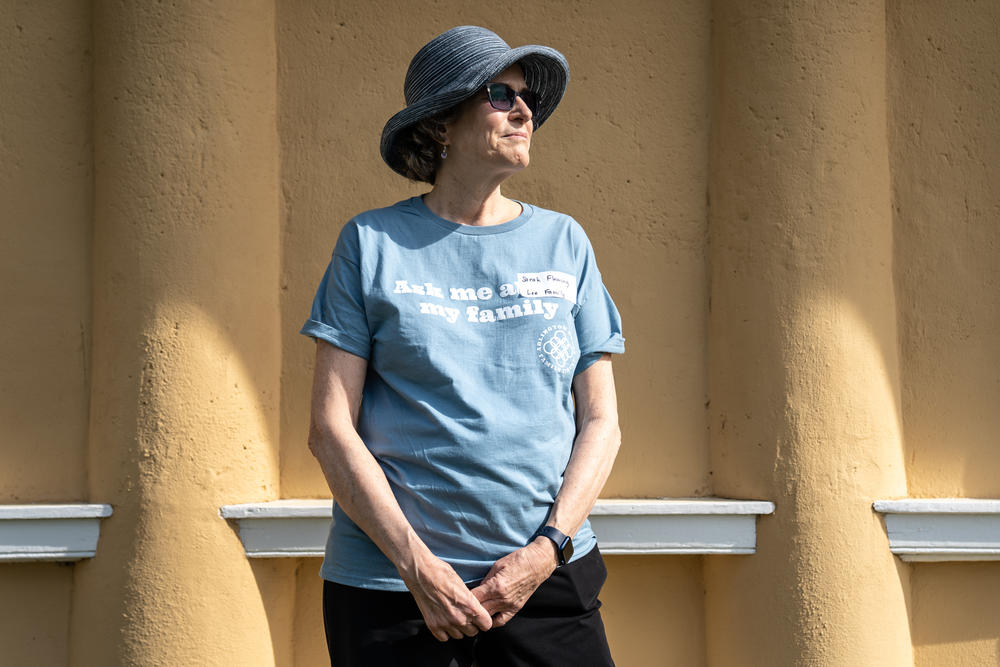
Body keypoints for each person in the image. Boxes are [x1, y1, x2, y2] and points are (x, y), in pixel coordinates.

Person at [302, 25, 625, 666]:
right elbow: (330, 427)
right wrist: (417, 568)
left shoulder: (565, 243)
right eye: (499, 94)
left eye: (527, 97)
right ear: (441, 125)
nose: (524, 110)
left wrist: (546, 550)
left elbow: (601, 420)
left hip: (547, 581)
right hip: (393, 590)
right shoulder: (371, 243)